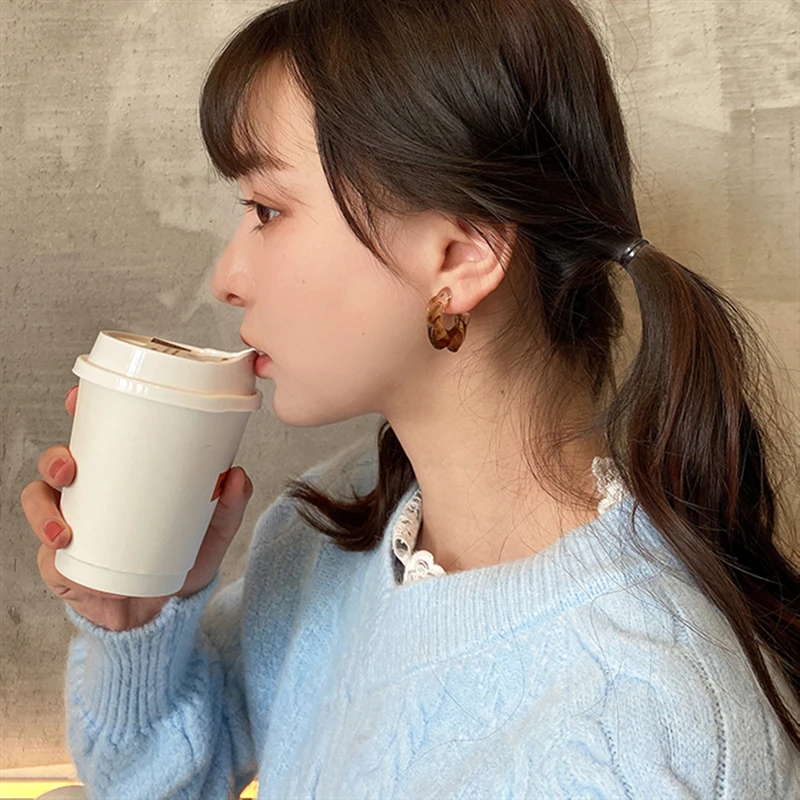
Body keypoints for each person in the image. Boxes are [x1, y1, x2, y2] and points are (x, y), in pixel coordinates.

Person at [20, 0, 800, 796]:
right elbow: (157, 781)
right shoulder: (329, 530)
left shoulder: (652, 732)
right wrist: (134, 617)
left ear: (462, 256)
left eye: (267, 211)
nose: (226, 278)